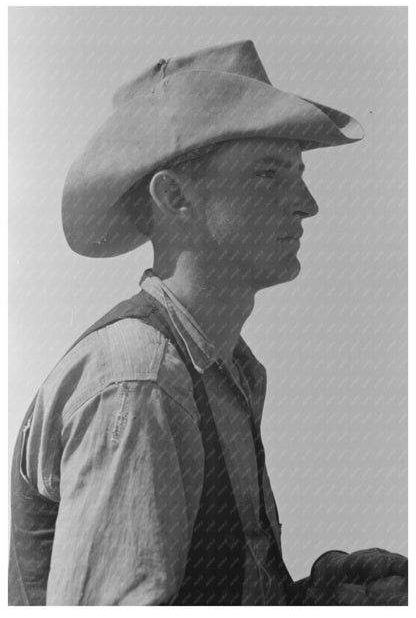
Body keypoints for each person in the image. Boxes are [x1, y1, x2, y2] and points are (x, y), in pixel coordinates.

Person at [9, 40, 407, 606]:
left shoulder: (224, 372)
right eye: (269, 174)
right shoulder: (140, 382)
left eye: (298, 172)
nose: (307, 202)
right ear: (175, 196)